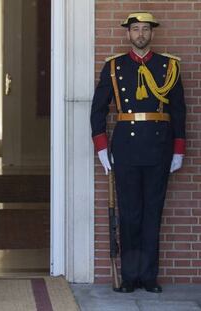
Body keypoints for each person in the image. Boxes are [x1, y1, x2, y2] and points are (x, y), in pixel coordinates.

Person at [90, 12, 186, 293]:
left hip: (159, 148)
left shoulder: (169, 67)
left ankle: (148, 277)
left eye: (145, 29)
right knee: (130, 214)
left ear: (152, 33)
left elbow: (179, 110)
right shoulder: (113, 67)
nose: (140, 34)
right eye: (135, 29)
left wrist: (178, 149)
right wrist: (101, 147)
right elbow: (98, 110)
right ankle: (130, 277)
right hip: (126, 149)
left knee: (152, 213)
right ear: (128, 34)